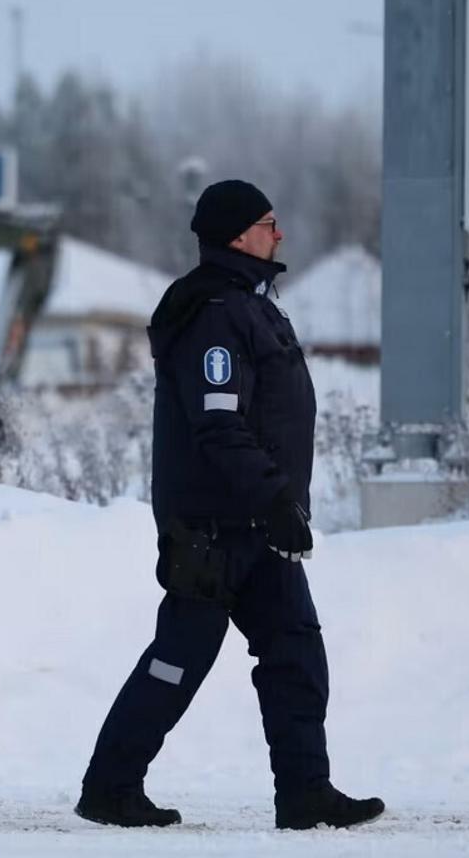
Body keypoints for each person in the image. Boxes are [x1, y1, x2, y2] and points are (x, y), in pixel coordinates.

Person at [74, 180, 384, 831]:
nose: (281, 233)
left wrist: (275, 509)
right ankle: (109, 786)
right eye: (271, 223)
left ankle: (305, 792)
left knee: (296, 654)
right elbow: (219, 426)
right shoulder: (218, 313)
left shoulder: (251, 306)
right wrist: (273, 501)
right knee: (179, 658)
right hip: (215, 529)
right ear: (240, 233)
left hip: (257, 526)